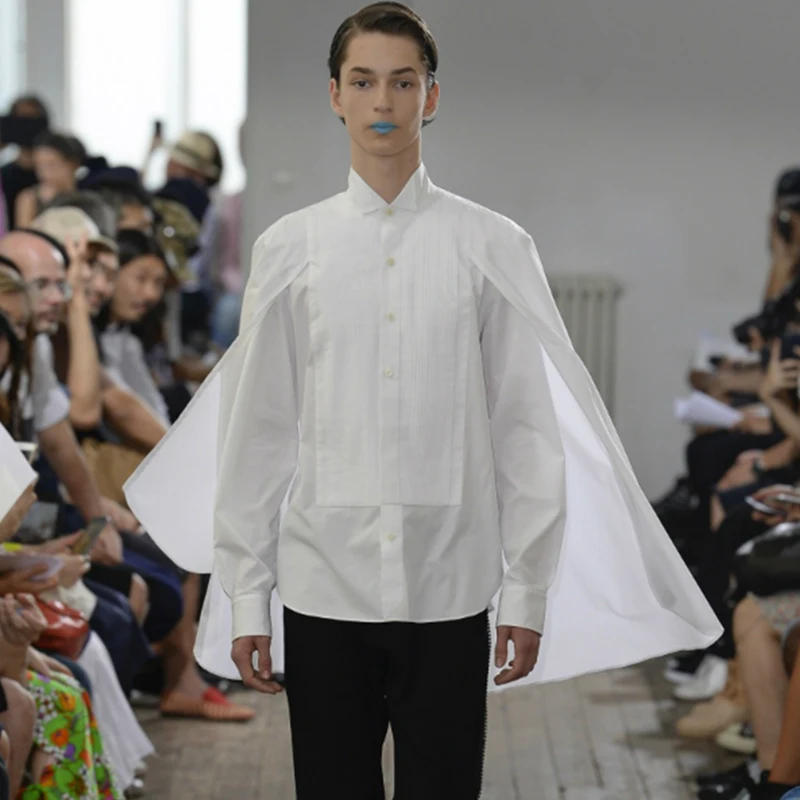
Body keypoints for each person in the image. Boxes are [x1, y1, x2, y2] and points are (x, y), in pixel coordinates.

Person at [125, 3, 721, 797]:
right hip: (322, 583)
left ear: (430, 96)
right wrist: (247, 597)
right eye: (363, 81)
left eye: (403, 82)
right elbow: (257, 433)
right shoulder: (290, 248)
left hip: (451, 586)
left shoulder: (491, 245)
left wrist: (527, 589)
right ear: (335, 94)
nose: (383, 102)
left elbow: (524, 429)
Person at [15, 133, 86, 229]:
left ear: (72, 164)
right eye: (38, 166)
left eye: (51, 165)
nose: (43, 173)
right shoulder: (30, 199)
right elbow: (23, 235)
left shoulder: (90, 198)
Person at [0, 95, 50, 230]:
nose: (25, 128)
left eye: (31, 120)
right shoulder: (4, 175)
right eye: (20, 120)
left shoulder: (51, 175)